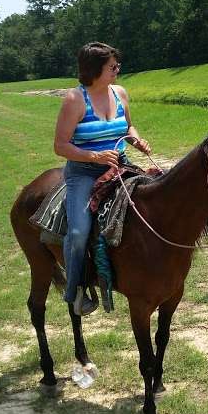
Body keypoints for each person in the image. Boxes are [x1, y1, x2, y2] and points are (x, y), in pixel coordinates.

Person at [53, 42, 151, 315]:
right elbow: (60, 145)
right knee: (77, 231)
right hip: (84, 173)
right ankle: (75, 292)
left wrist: (136, 140)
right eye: (113, 67)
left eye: (117, 65)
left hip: (120, 166)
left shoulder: (119, 92)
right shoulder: (75, 99)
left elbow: (128, 125)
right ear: (95, 70)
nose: (118, 70)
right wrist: (94, 157)